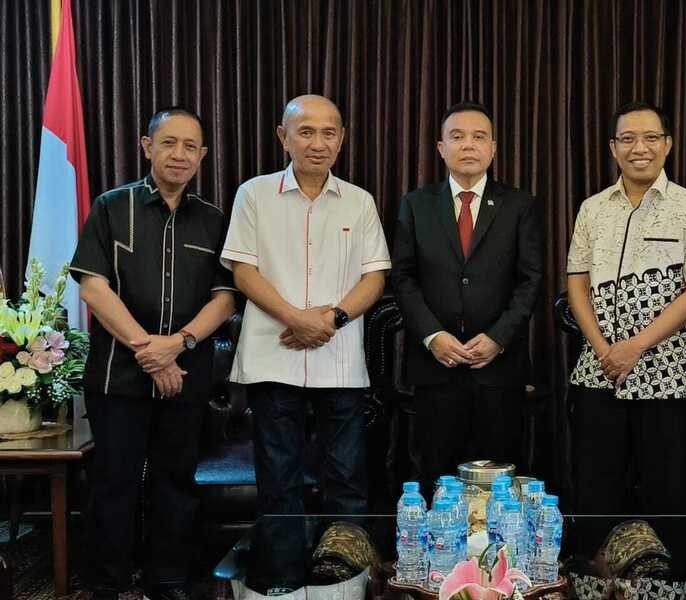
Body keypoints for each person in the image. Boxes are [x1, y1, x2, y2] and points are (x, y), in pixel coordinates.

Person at [71, 107, 236, 600]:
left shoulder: (213, 220)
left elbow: (225, 297)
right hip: (117, 375)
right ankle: (108, 582)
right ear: (147, 147)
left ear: (202, 155)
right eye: (168, 143)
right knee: (113, 482)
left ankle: (168, 579)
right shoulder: (111, 206)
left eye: (190, 146)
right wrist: (149, 351)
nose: (179, 154)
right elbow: (93, 287)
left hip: (186, 372)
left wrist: (177, 345)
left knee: (175, 481)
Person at [221, 95, 391, 518]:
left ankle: (343, 560)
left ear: (341, 139)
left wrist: (332, 319)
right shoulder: (254, 194)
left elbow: (374, 277)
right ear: (284, 137)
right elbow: (243, 272)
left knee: (347, 477)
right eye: (306, 132)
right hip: (273, 355)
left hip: (339, 357)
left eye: (328, 133)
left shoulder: (359, 201)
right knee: (278, 478)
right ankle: (281, 561)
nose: (318, 143)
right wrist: (296, 319)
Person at [565, 101, 686, 516]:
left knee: (669, 501)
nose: (640, 148)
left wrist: (634, 346)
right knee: (595, 497)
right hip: (598, 373)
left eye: (651, 137)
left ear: (667, 144)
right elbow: (577, 283)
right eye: (628, 139)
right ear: (613, 147)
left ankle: (670, 566)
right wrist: (604, 349)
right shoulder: (592, 209)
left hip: (668, 379)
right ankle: (597, 564)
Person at [391, 102, 542, 494]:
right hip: (435, 367)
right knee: (437, 479)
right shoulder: (416, 204)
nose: (468, 145)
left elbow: (530, 281)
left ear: (493, 148)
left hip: (499, 369)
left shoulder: (520, 205)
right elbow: (402, 278)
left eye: (479, 137)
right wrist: (432, 336)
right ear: (441, 148)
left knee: (501, 481)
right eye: (457, 137)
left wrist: (498, 338)